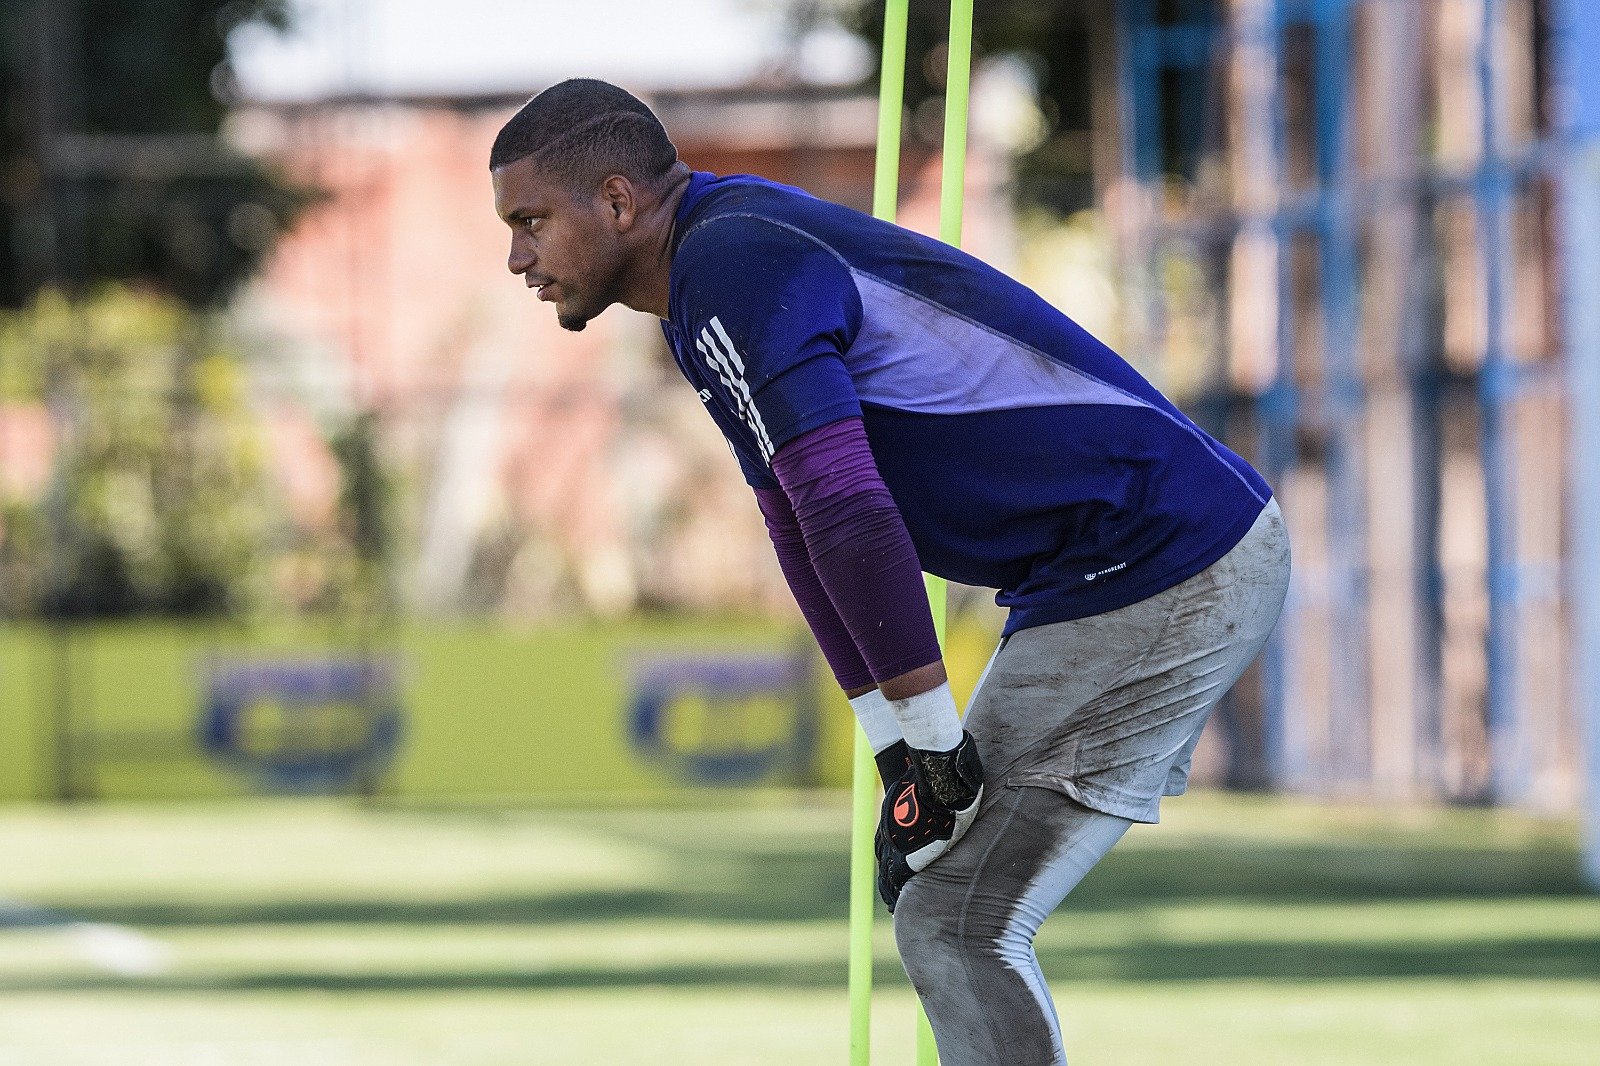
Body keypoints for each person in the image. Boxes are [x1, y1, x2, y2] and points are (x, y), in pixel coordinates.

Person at [490, 78, 1291, 1065]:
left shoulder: (731, 260)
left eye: (530, 221)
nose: (516, 256)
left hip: (1162, 556)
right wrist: (895, 749)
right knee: (944, 910)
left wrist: (933, 741)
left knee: (953, 920)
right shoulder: (709, 275)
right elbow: (793, 519)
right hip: (1112, 563)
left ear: (616, 202)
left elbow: (844, 503)